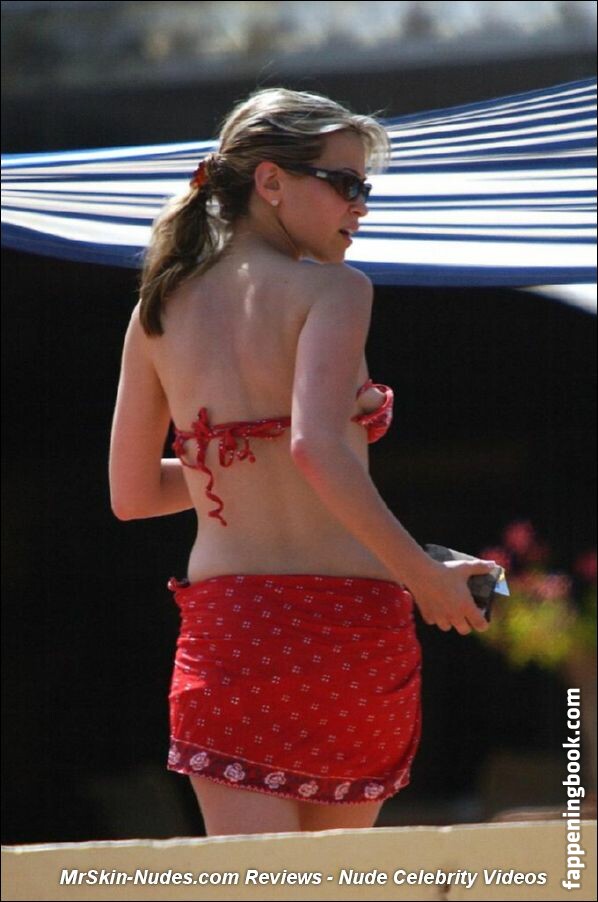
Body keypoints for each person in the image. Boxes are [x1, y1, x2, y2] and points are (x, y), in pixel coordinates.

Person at [109, 86, 494, 837]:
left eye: (365, 188)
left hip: (232, 633)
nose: (361, 206)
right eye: (345, 183)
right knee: (333, 885)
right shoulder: (334, 290)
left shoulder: (156, 309)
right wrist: (423, 576)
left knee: (257, 885)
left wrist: (233, 464)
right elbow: (315, 446)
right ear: (271, 180)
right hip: (351, 634)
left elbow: (132, 494)